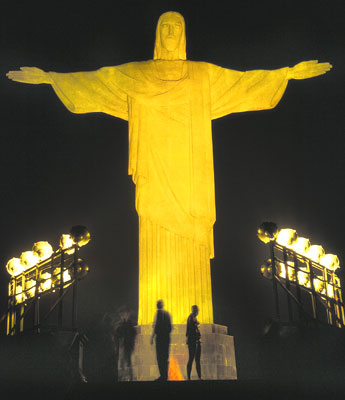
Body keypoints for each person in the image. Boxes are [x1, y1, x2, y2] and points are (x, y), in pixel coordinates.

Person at [6, 12, 332, 327]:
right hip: (154, 171)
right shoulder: (138, 75)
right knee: (154, 231)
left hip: (191, 176)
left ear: (184, 34)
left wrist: (286, 74)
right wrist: (50, 78)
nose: (171, 33)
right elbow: (98, 81)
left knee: (191, 242)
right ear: (158, 35)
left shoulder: (203, 75)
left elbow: (244, 83)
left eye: (177, 26)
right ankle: (158, 323)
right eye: (166, 27)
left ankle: (194, 324)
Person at [113, 306, 137, 381]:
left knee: (127, 362)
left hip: (127, 345)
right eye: (121, 315)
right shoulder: (120, 324)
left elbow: (132, 333)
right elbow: (116, 334)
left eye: (124, 314)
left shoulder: (129, 324)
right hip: (122, 346)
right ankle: (122, 377)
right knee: (122, 362)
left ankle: (128, 377)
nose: (123, 316)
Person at [151, 300, 172, 381]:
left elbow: (156, 326)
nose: (156, 305)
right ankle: (164, 375)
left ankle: (163, 376)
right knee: (165, 357)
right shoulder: (167, 314)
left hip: (160, 338)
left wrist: (152, 337)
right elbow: (170, 327)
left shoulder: (158, 313)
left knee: (160, 357)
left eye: (157, 304)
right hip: (166, 338)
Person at [186, 305, 202, 380]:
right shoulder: (191, 318)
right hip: (193, 341)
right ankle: (189, 377)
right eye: (197, 310)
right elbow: (191, 330)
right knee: (192, 359)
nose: (198, 312)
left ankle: (199, 377)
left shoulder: (193, 318)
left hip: (196, 341)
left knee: (197, 360)